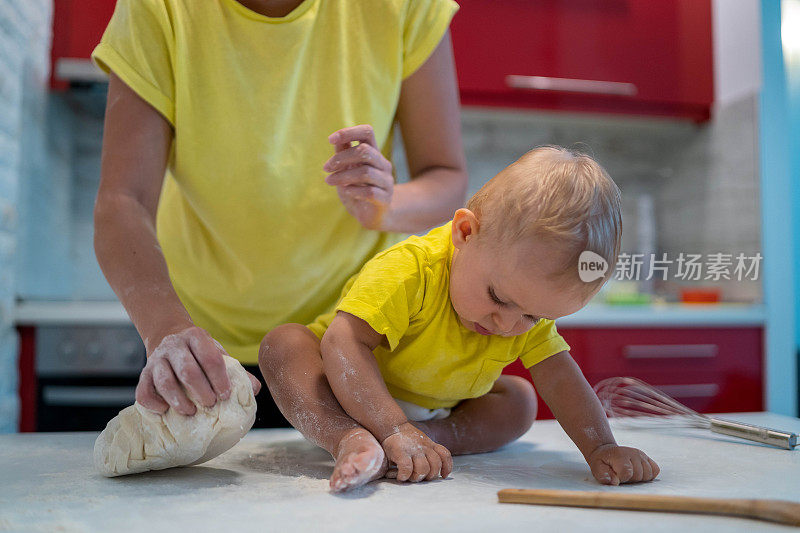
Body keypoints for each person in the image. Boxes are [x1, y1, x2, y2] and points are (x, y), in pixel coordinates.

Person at [90, 0, 467, 425]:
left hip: (354, 339)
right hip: (206, 346)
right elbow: (123, 201)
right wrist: (167, 329)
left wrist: (386, 205)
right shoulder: (159, 7)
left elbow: (446, 177)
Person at [259, 146, 661, 492]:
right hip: (344, 390)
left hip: (437, 410)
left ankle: (430, 440)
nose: (507, 325)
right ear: (465, 232)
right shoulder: (410, 270)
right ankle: (348, 439)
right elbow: (343, 343)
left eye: (534, 316)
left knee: (519, 399)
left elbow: (560, 376)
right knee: (285, 344)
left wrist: (601, 447)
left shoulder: (520, 306)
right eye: (497, 298)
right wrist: (392, 427)